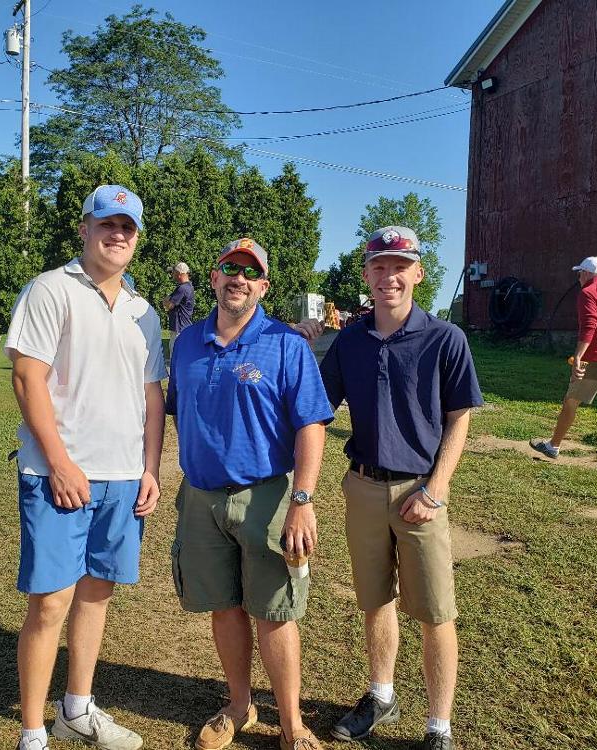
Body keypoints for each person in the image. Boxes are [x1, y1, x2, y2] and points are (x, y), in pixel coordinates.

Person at [305, 225, 483, 750]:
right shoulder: (351, 340)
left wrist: (435, 490)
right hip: (362, 488)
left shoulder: (445, 337)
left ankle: (438, 728)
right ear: (366, 274)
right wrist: (298, 346)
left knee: (434, 612)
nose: (389, 277)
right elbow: (316, 409)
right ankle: (381, 695)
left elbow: (459, 418)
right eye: (379, 266)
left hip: (419, 496)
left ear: (417, 273)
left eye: (399, 266)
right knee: (376, 601)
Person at [3, 184, 166, 750]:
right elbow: (28, 378)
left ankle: (77, 709)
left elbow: (152, 395)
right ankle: (32, 734)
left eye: (127, 227)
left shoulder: (143, 311)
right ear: (85, 228)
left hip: (123, 477)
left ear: (136, 237)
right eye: (107, 224)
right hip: (57, 475)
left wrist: (150, 468)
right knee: (51, 601)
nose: (117, 234)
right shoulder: (51, 289)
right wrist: (59, 462)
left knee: (97, 593)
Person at [165, 238, 335, 750]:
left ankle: (291, 725)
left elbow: (312, 425)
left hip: (266, 497)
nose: (238, 277)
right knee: (224, 607)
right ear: (213, 278)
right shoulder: (187, 343)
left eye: (250, 272)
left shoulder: (285, 343)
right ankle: (239, 707)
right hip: (199, 497)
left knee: (274, 612)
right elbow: (174, 409)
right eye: (229, 268)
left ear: (263, 286)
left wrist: (303, 501)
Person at [530, 256, 597, 470]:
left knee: (571, 401)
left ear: (588, 274)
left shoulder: (588, 293)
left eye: (580, 273)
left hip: (596, 359)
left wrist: (579, 356)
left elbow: (589, 326)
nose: (578, 277)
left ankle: (553, 447)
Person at [162, 261, 195, 342]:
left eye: (173, 272)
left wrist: (165, 301)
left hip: (179, 329)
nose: (172, 274)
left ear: (179, 273)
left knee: (175, 353)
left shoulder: (182, 289)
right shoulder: (187, 287)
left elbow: (168, 305)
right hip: (183, 327)